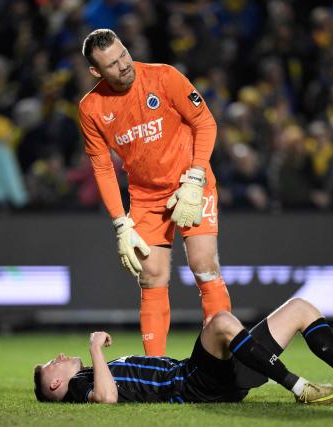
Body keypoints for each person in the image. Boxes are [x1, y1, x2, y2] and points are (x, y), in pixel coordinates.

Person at [78, 29, 231, 356]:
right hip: (146, 195)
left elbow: (205, 123)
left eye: (123, 55)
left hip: (190, 182)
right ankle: (155, 368)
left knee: (204, 264)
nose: (123, 65)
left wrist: (196, 176)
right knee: (151, 276)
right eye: (112, 64)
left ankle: (222, 361)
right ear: (96, 72)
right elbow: (103, 168)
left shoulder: (164, 77)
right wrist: (121, 223)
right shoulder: (91, 108)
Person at [33, 297, 333, 404]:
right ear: (54, 385)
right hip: (191, 384)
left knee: (299, 309)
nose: (60, 357)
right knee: (218, 321)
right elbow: (108, 398)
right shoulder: (83, 385)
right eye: (53, 364)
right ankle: (300, 388)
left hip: (214, 377)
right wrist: (95, 348)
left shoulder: (86, 375)